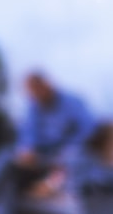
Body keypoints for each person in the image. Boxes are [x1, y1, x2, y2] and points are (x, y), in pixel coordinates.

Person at [11, 72, 96, 203]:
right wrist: (27, 148)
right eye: (32, 93)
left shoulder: (71, 102)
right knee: (6, 158)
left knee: (71, 157)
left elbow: (89, 127)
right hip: (44, 156)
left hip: (68, 154)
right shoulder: (34, 106)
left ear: (46, 85)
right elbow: (28, 132)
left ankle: (50, 185)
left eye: (37, 91)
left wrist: (69, 145)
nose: (36, 97)